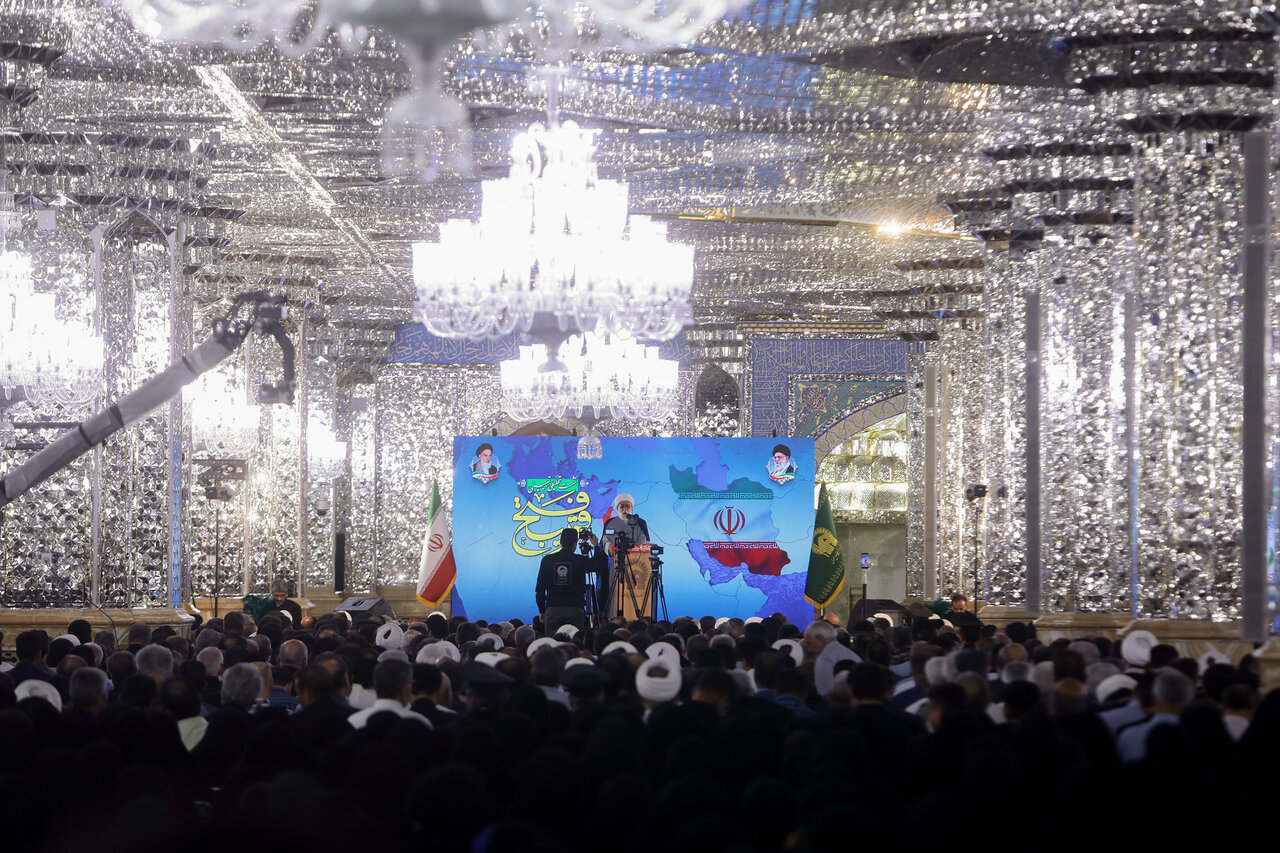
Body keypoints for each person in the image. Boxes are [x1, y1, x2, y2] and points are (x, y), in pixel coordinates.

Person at [535, 528, 593, 635]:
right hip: (575, 609)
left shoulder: (547, 560)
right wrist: (596, 546)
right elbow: (598, 566)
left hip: (553, 610)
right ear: (575, 544)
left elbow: (540, 589)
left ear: (561, 542)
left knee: (552, 643)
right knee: (574, 642)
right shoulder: (581, 560)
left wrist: (542, 610)